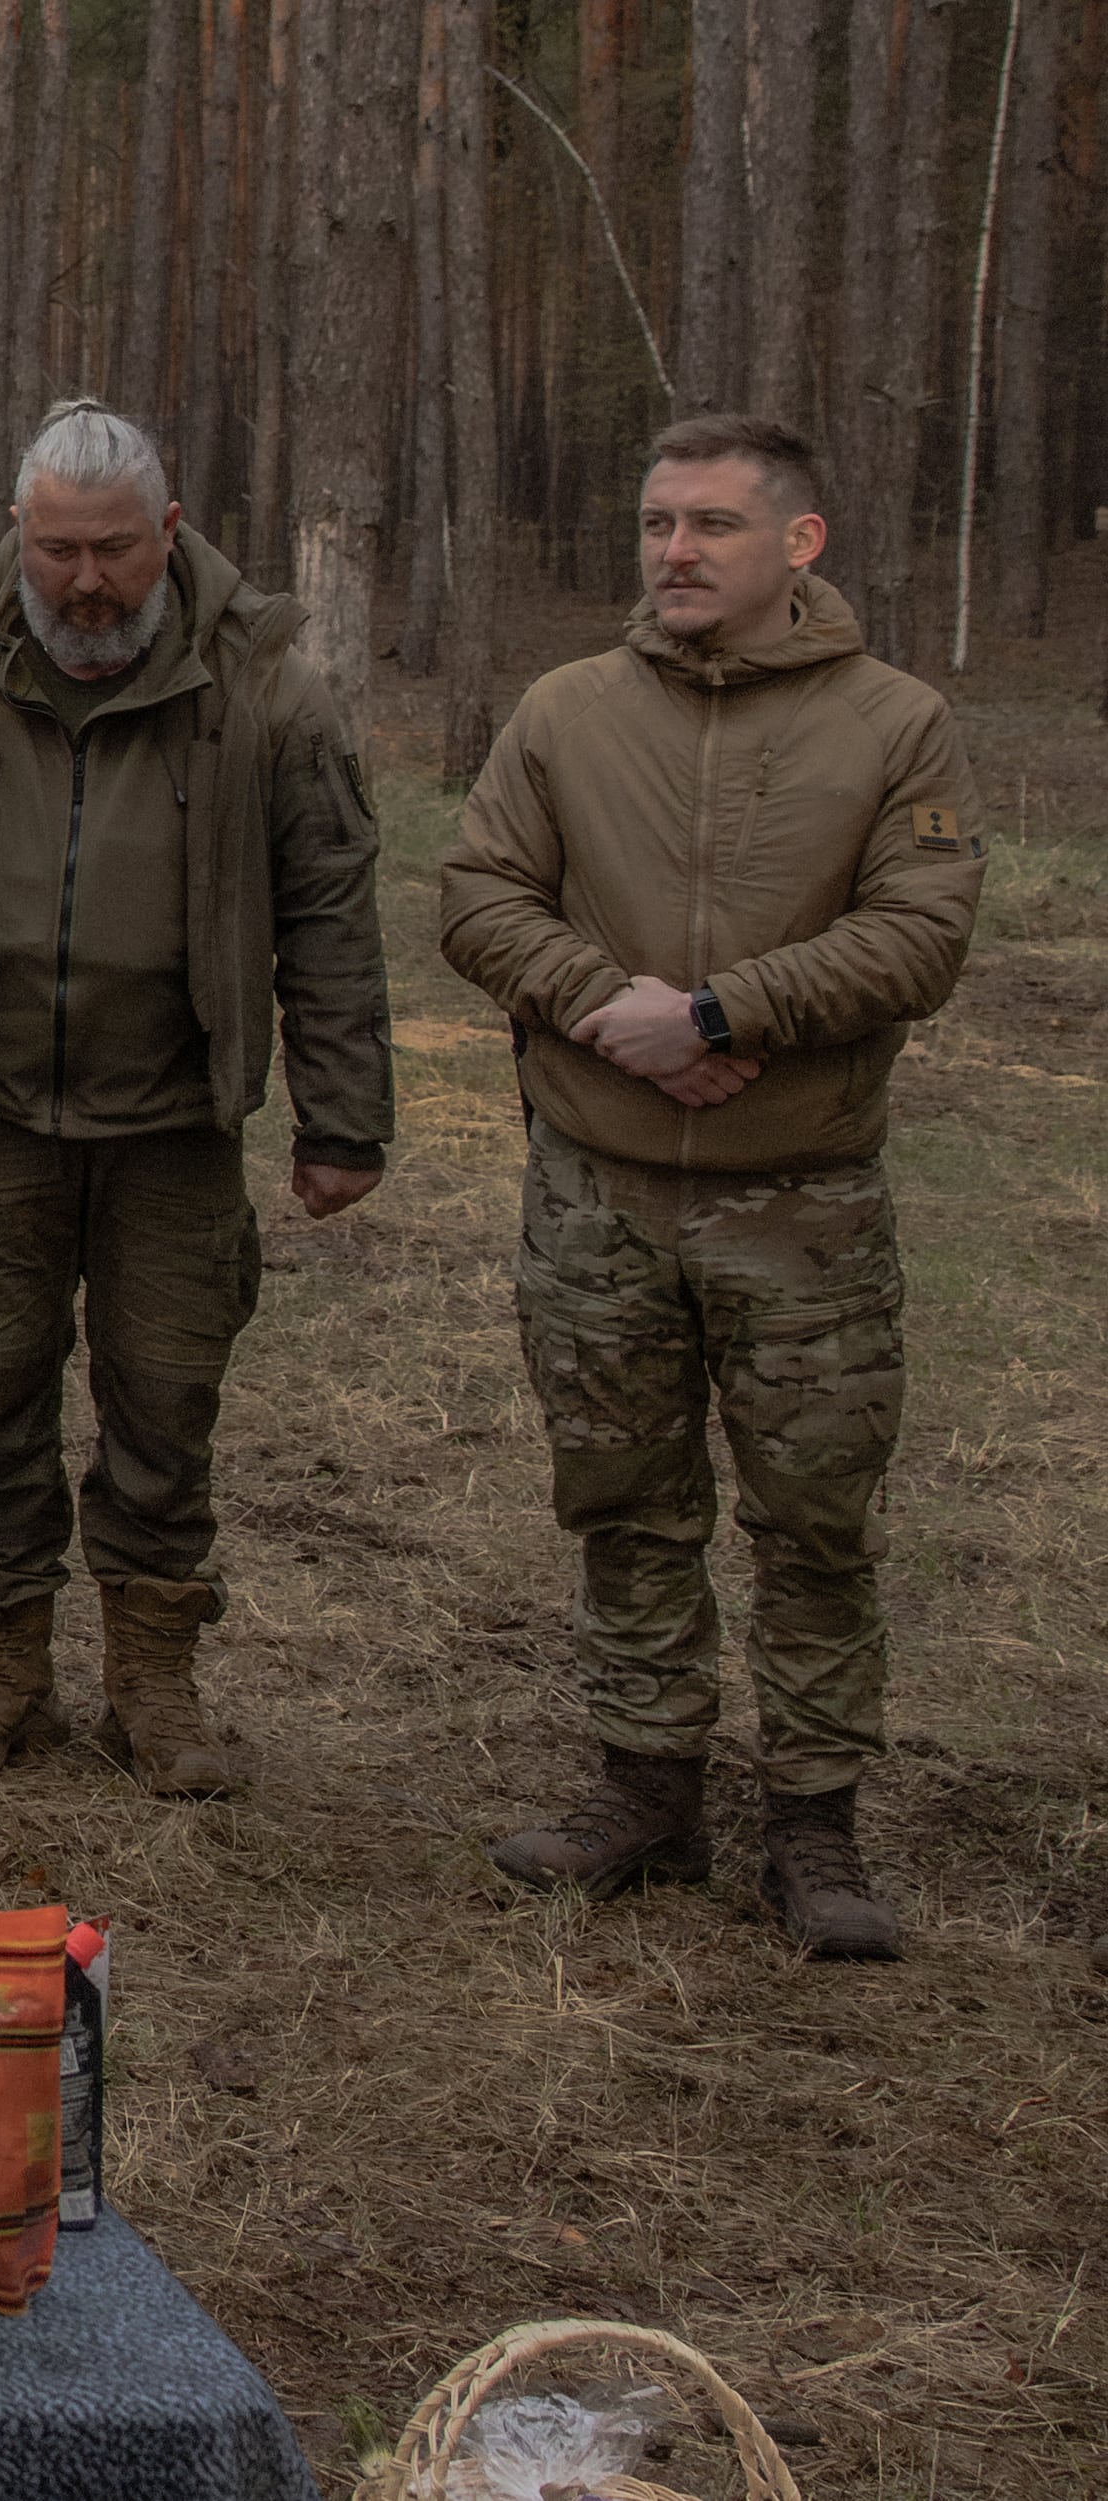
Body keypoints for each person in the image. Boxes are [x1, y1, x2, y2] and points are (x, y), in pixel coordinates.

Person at [0, 399, 390, 1799]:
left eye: (115, 550)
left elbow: (331, 909)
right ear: (18, 532)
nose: (85, 581)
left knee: (167, 1400)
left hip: (176, 1123)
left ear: (168, 532)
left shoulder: (265, 690)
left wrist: (342, 1115)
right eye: (57, 549)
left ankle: (154, 1678)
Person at [441, 413, 977, 1962]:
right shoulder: (566, 711)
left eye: (713, 526)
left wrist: (727, 1013)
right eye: (660, 522)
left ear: (797, 544)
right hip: (599, 1189)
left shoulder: (895, 724)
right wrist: (620, 1006)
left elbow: (921, 934)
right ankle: (646, 1788)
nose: (676, 550)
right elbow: (481, 890)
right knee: (625, 1500)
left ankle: (815, 1821)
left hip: (797, 1202)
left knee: (813, 1518)